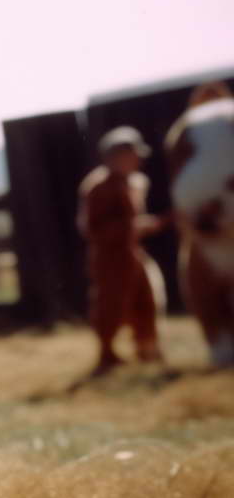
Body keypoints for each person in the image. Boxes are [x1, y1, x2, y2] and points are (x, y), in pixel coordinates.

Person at [76, 126, 172, 375]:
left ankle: (146, 347)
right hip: (109, 257)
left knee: (146, 300)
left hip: (132, 252)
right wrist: (132, 227)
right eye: (131, 155)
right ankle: (107, 353)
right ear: (114, 156)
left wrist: (146, 225)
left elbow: (132, 222)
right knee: (111, 305)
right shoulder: (98, 187)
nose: (138, 160)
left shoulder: (133, 182)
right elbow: (92, 229)